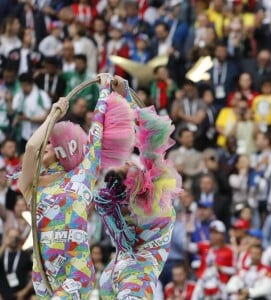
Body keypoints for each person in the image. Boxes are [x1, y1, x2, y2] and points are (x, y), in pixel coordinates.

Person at [18, 74, 135, 299]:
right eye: (49, 143)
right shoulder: (30, 185)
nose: (49, 147)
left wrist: (104, 92)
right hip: (43, 272)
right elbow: (32, 146)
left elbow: (96, 135)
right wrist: (54, 115)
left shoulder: (82, 174)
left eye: (53, 144)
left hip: (76, 272)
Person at [94, 104, 181, 299]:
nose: (129, 161)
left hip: (114, 273)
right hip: (137, 275)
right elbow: (157, 129)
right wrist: (132, 106)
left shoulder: (110, 205)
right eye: (126, 164)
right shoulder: (156, 189)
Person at [0, 227, 33, 300]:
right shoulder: (2, 254)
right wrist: (5, 244)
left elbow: (35, 275)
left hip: (21, 296)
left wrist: (24, 291)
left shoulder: (25, 255)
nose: (13, 240)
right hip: (3, 296)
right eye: (11, 237)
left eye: (16, 237)